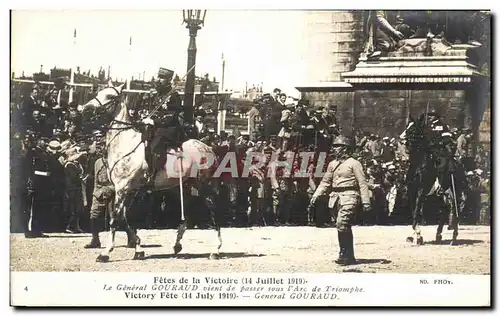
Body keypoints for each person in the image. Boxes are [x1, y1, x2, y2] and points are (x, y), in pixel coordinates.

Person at [309, 135, 371, 265]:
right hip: (335, 198)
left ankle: (345, 254)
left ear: (345, 149)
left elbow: (362, 183)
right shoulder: (333, 164)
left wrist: (366, 201)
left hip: (350, 195)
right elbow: (326, 181)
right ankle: (347, 253)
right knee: (341, 226)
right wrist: (316, 195)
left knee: (342, 223)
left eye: (337, 146)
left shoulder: (354, 163)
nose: (334, 149)